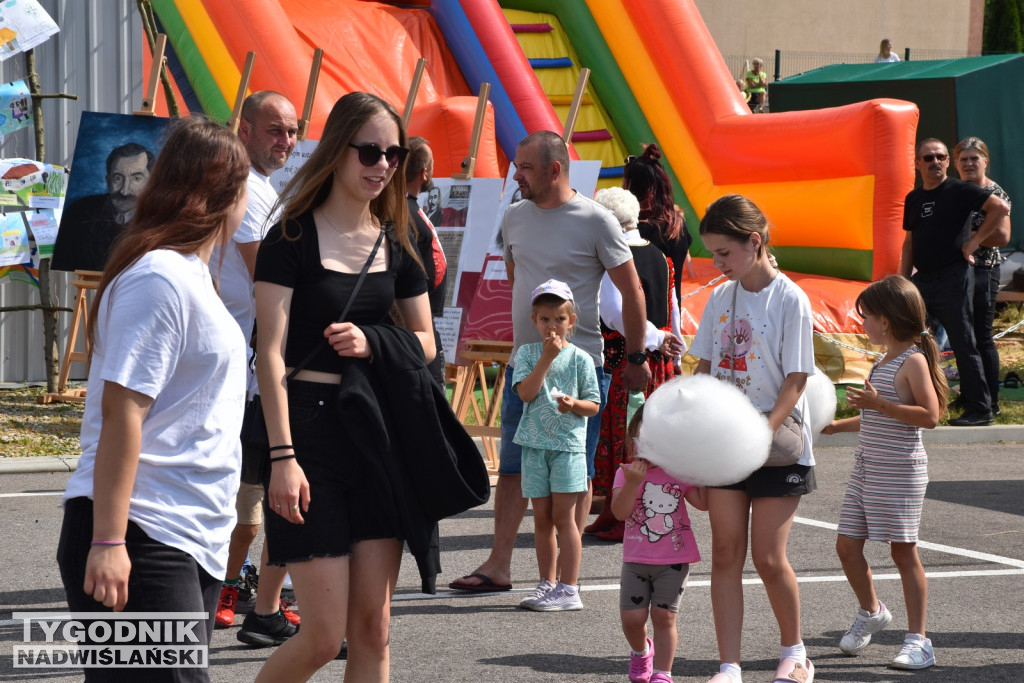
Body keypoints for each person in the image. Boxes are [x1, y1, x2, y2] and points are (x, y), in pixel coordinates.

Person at [252, 92, 487, 683]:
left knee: (373, 633)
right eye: (370, 152)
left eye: (394, 154)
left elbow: (428, 344)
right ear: (337, 152)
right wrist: (281, 457)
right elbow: (269, 355)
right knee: (323, 636)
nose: (382, 165)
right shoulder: (290, 239)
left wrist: (374, 341)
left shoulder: (398, 240)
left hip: (375, 432)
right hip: (306, 433)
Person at [55, 117, 251, 682]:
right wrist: (110, 541)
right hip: (142, 533)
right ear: (226, 194)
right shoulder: (160, 277)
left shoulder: (188, 273)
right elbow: (122, 413)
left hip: (185, 533)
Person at [447, 130, 651, 593]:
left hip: (578, 368)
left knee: (570, 474)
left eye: (525, 167)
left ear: (554, 169)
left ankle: (564, 578)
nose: (516, 174)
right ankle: (499, 565)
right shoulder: (515, 216)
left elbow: (632, 290)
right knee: (516, 468)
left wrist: (636, 356)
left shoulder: (596, 220)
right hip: (527, 366)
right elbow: (519, 277)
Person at [691, 195, 817, 683]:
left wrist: (760, 433)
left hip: (776, 442)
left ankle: (796, 652)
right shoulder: (721, 297)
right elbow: (703, 368)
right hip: (724, 441)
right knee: (725, 553)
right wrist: (697, 441)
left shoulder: (791, 298)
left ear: (754, 242)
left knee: (767, 557)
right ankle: (730, 664)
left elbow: (797, 379)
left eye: (723, 253)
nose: (717, 263)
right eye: (713, 254)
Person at [823, 275, 947, 671]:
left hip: (900, 471)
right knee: (846, 546)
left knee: (902, 552)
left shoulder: (912, 360)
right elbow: (873, 417)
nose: (862, 325)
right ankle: (872, 610)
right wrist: (835, 426)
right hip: (867, 467)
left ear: (887, 321)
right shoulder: (883, 360)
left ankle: (919, 641)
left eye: (867, 317)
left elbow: (930, 415)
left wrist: (880, 405)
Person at [212, 90, 300, 645]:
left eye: (292, 131)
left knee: (256, 495)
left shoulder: (262, 187)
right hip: (243, 368)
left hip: (252, 367)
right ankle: (233, 594)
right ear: (243, 128)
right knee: (254, 495)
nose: (286, 141)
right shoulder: (244, 187)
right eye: (274, 129)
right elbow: (269, 275)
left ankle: (246, 596)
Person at [587, 186, 684, 542]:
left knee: (622, 438)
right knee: (644, 435)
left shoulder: (614, 255)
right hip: (657, 360)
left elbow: (614, 313)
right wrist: (673, 342)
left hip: (626, 358)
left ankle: (622, 513)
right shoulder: (661, 256)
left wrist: (654, 340)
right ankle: (622, 511)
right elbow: (674, 305)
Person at [898, 138, 1010, 426]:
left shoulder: (960, 190)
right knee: (916, 341)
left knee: (963, 343)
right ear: (918, 163)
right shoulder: (914, 198)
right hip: (922, 280)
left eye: (940, 157)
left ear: (948, 161)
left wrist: (973, 243)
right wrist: (903, 282)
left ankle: (981, 409)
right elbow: (909, 242)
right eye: (928, 158)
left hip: (953, 277)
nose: (935, 162)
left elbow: (998, 207)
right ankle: (923, 403)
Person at [513, 280, 600, 612]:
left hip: (568, 447)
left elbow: (593, 405)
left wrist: (573, 404)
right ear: (534, 320)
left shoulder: (581, 358)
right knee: (542, 519)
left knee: (565, 518)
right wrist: (546, 359)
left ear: (571, 321)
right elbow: (525, 393)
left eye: (559, 319)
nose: (552, 326)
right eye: (545, 319)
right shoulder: (527, 353)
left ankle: (569, 587)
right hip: (534, 446)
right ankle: (546, 583)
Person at [611, 403, 707, 683]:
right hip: (635, 561)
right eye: (640, 441)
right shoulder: (625, 472)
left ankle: (663, 672)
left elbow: (703, 504)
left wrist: (707, 471)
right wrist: (632, 483)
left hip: (673, 562)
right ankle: (641, 652)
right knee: (632, 619)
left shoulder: (677, 472)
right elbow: (620, 512)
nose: (645, 450)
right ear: (631, 442)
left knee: (664, 618)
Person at [953, 136, 1012, 417]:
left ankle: (990, 400)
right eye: (963, 159)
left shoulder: (995, 192)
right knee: (963, 337)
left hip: (984, 271)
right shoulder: (954, 190)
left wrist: (971, 239)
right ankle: (969, 395)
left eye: (974, 158)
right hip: (956, 273)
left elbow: (1002, 236)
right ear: (956, 164)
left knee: (982, 336)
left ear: (986, 161)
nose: (969, 163)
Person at [52, 142, 155, 272]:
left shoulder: (161, 219)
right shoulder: (77, 214)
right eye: (118, 178)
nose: (125, 191)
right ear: (108, 180)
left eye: (136, 178)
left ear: (150, 182)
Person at [624, 144, 695, 301]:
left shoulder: (632, 227)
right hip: (670, 310)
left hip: (639, 313)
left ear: (632, 186)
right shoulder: (676, 223)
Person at [406, 136, 448, 389]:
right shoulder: (403, 210)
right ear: (424, 173)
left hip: (422, 315)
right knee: (431, 391)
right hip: (414, 318)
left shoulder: (409, 207)